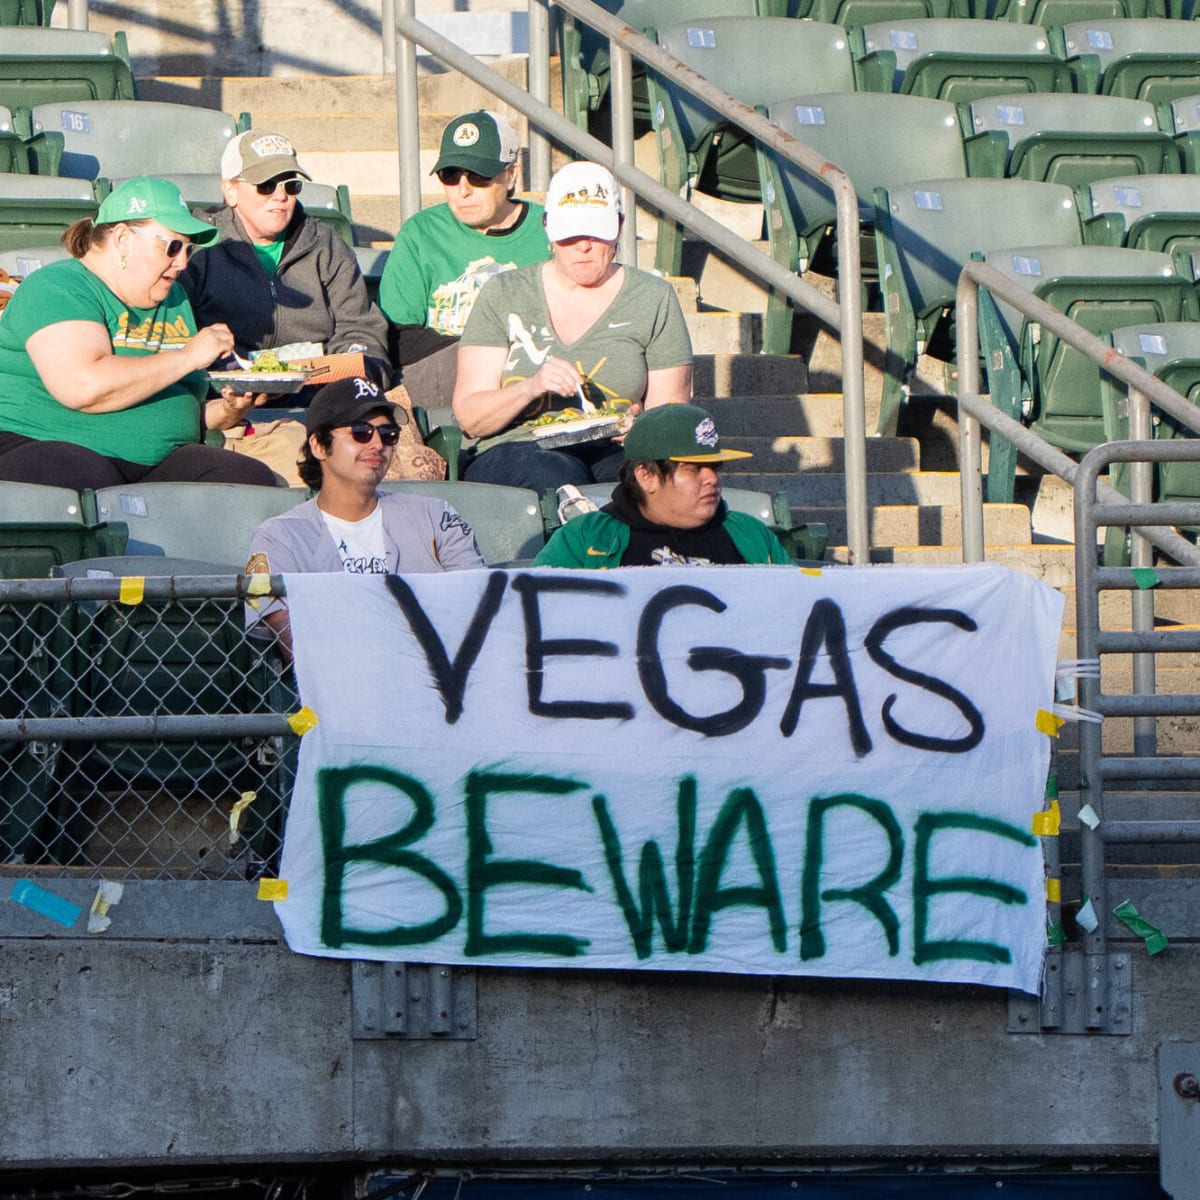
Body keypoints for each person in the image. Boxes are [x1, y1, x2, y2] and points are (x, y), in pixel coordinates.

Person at [0, 176, 278, 489]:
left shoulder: (174, 299)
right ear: (122, 239)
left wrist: (229, 409)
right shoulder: (59, 287)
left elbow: (179, 409)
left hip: (157, 461)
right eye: (172, 247)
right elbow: (83, 387)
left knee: (248, 480)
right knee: (87, 482)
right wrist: (188, 357)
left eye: (189, 248)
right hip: (45, 444)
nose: (183, 262)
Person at [453, 160, 693, 492]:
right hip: (519, 447)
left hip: (613, 447)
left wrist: (643, 429)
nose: (583, 246)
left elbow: (671, 412)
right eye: (570, 234)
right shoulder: (505, 293)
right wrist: (531, 387)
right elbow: (470, 416)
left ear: (619, 228)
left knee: (645, 481)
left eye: (596, 232)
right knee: (554, 472)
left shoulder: (652, 297)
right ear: (548, 228)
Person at [245, 375, 484, 654]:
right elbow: (294, 644)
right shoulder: (277, 538)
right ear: (318, 446)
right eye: (361, 432)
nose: (377, 444)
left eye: (387, 435)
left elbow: (478, 604)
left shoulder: (437, 517)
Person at [179, 129, 390, 382]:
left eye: (291, 185)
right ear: (230, 191)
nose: (281, 196)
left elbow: (359, 328)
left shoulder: (326, 245)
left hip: (320, 390)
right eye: (265, 185)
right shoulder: (199, 249)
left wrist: (357, 370)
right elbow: (176, 339)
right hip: (227, 393)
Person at [377, 110, 551, 407]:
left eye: (479, 176)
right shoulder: (422, 233)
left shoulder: (550, 231)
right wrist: (483, 358)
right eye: (451, 175)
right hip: (444, 376)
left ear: (511, 175)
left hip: (534, 373)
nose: (463, 190)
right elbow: (398, 335)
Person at [533, 403, 792, 568]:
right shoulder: (585, 537)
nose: (712, 479)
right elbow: (538, 615)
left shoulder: (751, 534)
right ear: (646, 477)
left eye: (714, 467)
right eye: (693, 469)